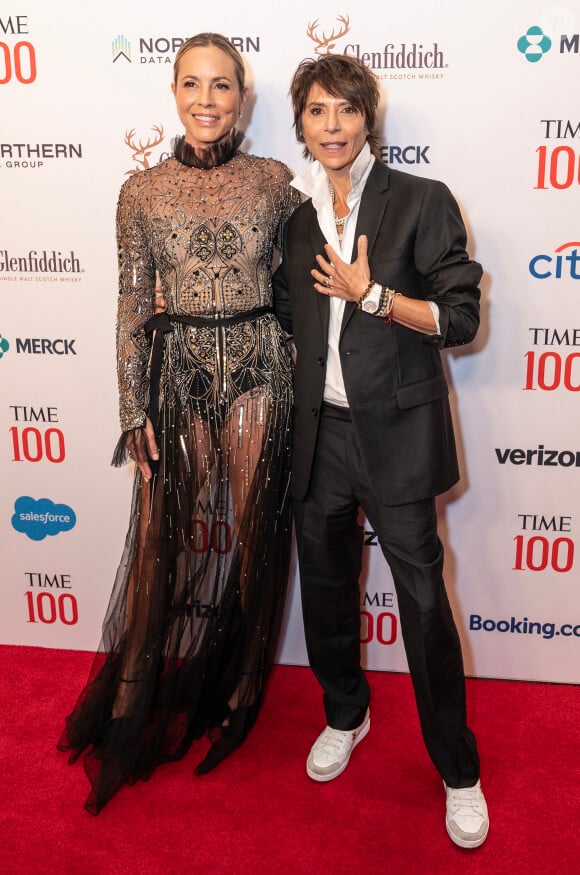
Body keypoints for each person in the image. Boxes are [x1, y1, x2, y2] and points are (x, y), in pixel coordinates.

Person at [58, 33, 300, 814]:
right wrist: (133, 408)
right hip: (177, 370)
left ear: (242, 98)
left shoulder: (273, 180)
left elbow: (308, 270)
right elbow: (133, 302)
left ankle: (239, 689)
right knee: (162, 535)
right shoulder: (140, 191)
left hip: (262, 362)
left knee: (258, 537)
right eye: (192, 84)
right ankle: (132, 694)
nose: (206, 99)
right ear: (172, 92)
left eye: (222, 86)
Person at [273, 54, 489, 849]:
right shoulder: (297, 224)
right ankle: (345, 712)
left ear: (370, 118)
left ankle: (458, 769)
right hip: (319, 435)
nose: (331, 127)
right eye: (318, 112)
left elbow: (463, 320)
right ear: (301, 123)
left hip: (396, 434)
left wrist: (375, 297)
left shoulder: (421, 203)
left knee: (425, 605)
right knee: (326, 593)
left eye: (345, 111)